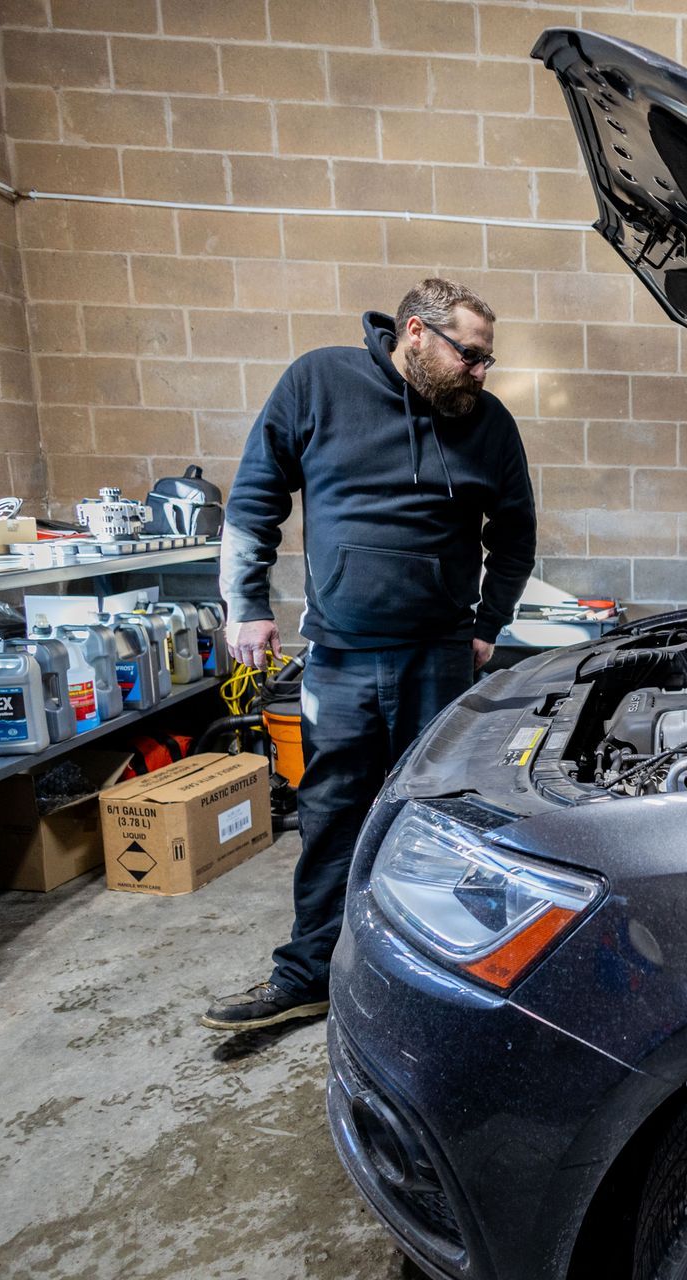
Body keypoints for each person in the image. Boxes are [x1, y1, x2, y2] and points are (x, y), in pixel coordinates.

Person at [201, 278, 535, 1030]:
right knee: (331, 813)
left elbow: (515, 534)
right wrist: (246, 606)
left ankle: (440, 979)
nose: (481, 371)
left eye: (487, 359)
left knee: (443, 819)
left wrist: (490, 623)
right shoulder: (319, 382)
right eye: (470, 355)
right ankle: (309, 974)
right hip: (342, 658)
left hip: (441, 658)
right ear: (416, 332)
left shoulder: (487, 422)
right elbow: (255, 498)